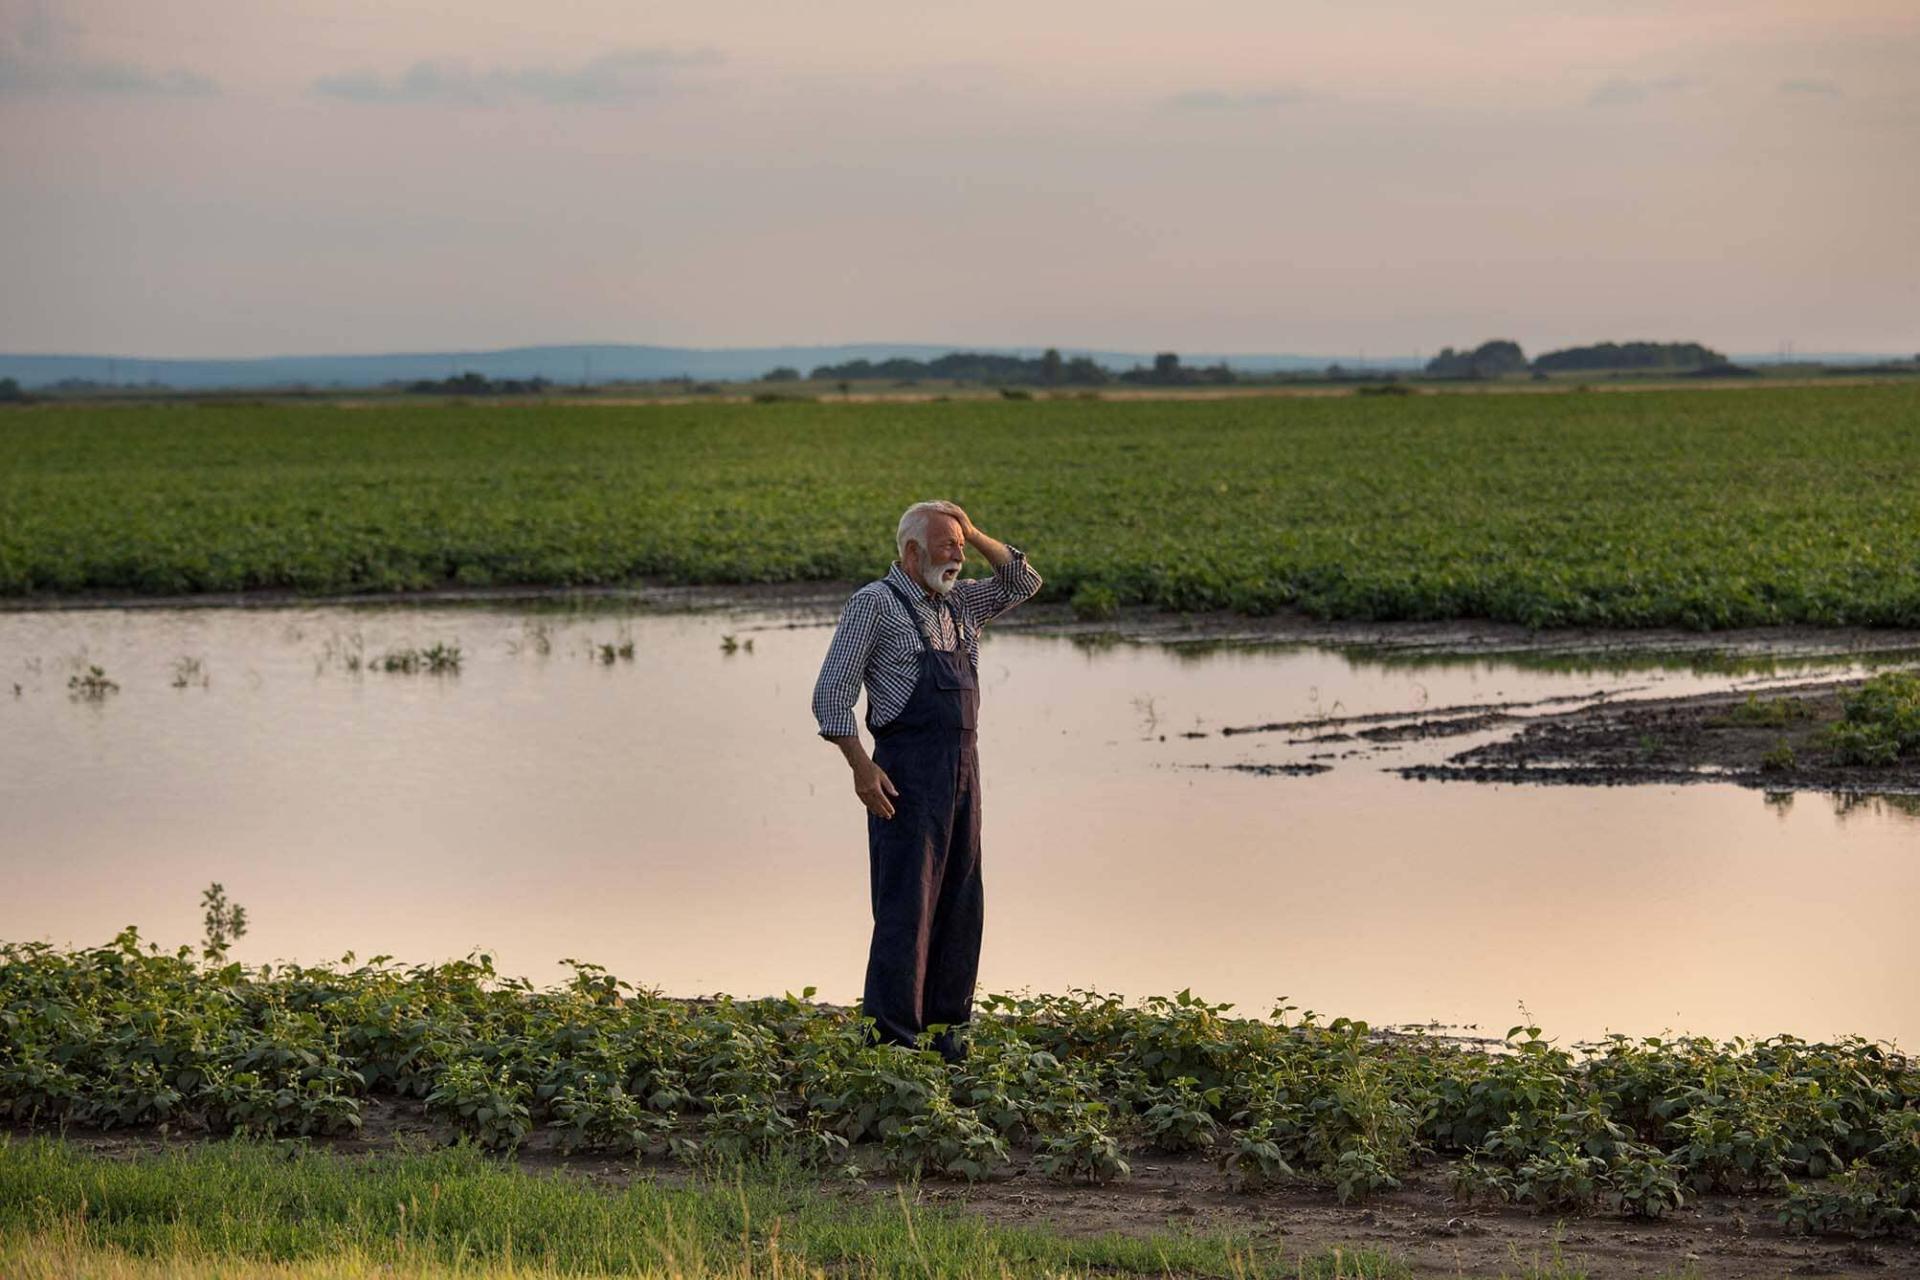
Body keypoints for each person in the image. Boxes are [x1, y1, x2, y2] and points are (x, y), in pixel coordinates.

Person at [811, 500, 1042, 1060]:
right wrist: (861, 769)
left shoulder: (961, 603)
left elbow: (1024, 580)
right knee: (906, 907)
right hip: (903, 777)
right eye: (948, 546)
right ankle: (890, 1041)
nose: (959, 556)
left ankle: (945, 1034)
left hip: (964, 772)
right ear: (912, 552)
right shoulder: (874, 604)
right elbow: (831, 695)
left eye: (961, 547)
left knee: (962, 901)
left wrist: (973, 528)